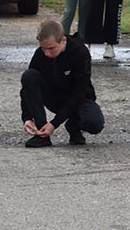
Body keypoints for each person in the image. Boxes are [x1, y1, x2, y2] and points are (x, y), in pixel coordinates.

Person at [20, 19, 104, 148]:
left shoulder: (80, 53)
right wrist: (27, 117)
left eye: (51, 48)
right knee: (29, 75)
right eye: (43, 48)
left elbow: (80, 93)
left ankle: (74, 126)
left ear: (63, 40)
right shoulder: (40, 54)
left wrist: (54, 124)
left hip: (78, 99)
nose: (47, 53)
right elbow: (27, 87)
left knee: (94, 123)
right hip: (53, 97)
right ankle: (42, 135)